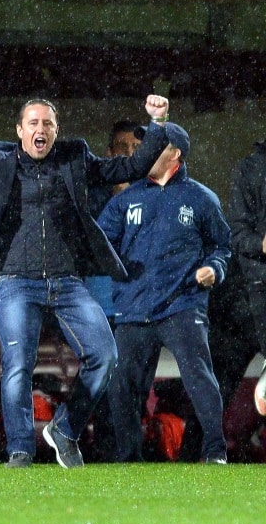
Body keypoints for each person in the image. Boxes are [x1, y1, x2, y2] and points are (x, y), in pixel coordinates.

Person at [0, 85, 171, 468]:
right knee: (18, 366)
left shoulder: (75, 157)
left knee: (105, 355)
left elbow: (129, 168)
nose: (40, 129)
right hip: (15, 282)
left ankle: (65, 429)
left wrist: (158, 123)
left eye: (47, 123)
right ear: (19, 130)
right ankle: (20, 451)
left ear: (56, 131)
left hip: (66, 282)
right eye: (33, 123)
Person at [98, 122, 230, 464]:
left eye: (153, 146)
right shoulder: (126, 199)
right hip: (133, 307)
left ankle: (214, 451)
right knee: (122, 386)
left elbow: (222, 247)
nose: (144, 153)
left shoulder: (201, 198)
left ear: (175, 154)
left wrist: (214, 268)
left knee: (199, 378)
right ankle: (129, 459)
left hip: (181, 305)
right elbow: (99, 242)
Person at [84, 120, 141, 462]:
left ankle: (129, 455)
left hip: (139, 304)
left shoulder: (154, 193)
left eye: (137, 149)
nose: (130, 155)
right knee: (108, 380)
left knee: (133, 383)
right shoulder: (93, 194)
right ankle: (106, 453)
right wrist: (118, 196)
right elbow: (93, 243)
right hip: (103, 302)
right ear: (109, 153)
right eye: (123, 148)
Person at [229, 140, 266, 418]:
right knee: (220, 382)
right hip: (253, 292)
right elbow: (237, 235)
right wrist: (261, 244)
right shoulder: (251, 168)